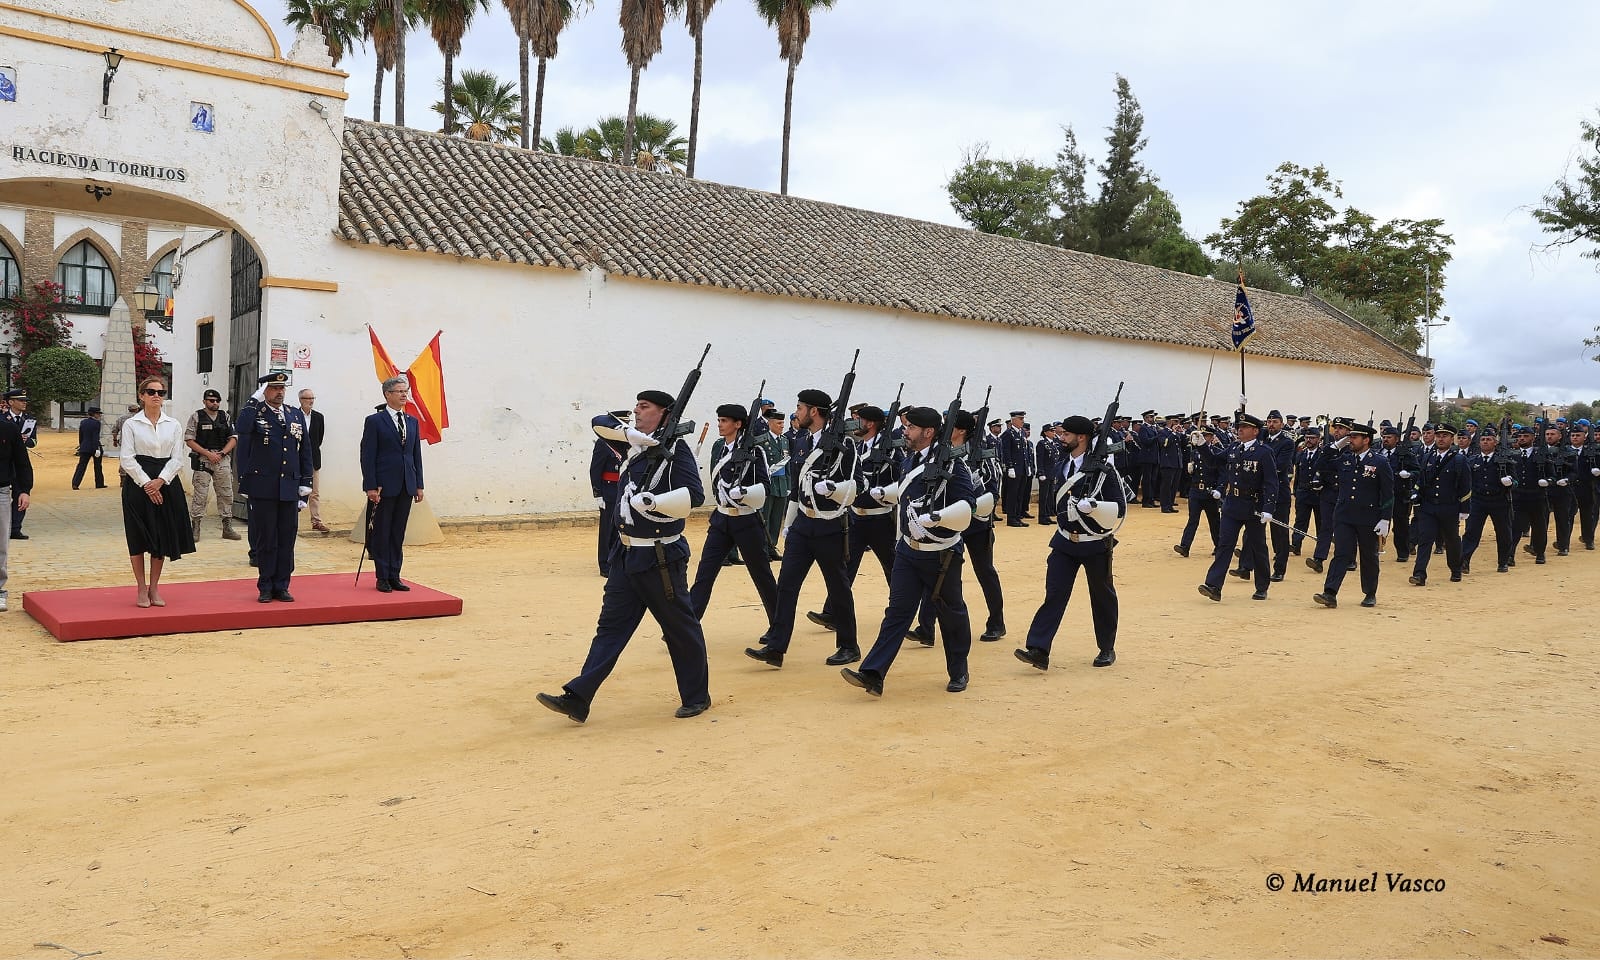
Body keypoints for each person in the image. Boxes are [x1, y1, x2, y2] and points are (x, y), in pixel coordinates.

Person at [537, 390, 710, 723]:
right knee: (610, 628)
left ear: (664, 413)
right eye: (636, 406)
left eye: (644, 407)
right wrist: (635, 435)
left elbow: (695, 495)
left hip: (660, 557)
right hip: (626, 554)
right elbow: (599, 424)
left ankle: (697, 696)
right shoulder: (636, 445)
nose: (637, 411)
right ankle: (579, 697)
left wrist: (656, 503)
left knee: (680, 629)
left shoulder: (676, 452)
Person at [841, 406, 978, 696]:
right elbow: (907, 492)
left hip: (941, 554)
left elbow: (968, 506)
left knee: (951, 613)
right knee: (897, 613)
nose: (905, 431)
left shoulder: (954, 466)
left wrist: (939, 518)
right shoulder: (909, 460)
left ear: (928, 432)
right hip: (907, 551)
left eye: (911, 428)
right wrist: (885, 494)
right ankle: (873, 673)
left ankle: (959, 670)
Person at [745, 388, 861, 668]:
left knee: (838, 586)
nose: (795, 413)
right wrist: (788, 524)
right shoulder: (801, 441)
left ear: (814, 411)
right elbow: (796, 489)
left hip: (830, 525)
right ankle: (776, 647)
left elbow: (857, 486)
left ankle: (848, 645)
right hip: (803, 525)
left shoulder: (844, 444)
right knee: (786, 585)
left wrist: (833, 489)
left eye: (799, 408)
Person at [1014, 414, 1125, 670]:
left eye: (1065, 434)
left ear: (1081, 437)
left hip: (1094, 542)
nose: (1061, 438)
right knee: (1054, 594)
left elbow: (1118, 507)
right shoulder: (1061, 462)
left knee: (1102, 596)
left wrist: (1095, 506)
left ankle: (1106, 648)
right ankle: (1038, 649)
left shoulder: (1103, 470)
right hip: (1064, 542)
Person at [810, 405, 900, 631]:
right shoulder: (855, 446)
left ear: (870, 424)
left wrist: (883, 492)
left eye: (858, 420)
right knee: (845, 567)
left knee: (894, 568)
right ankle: (832, 612)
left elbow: (903, 482)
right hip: (856, 518)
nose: (853, 423)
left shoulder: (891, 449)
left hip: (880, 519)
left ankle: (901, 611)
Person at [688, 402, 778, 623]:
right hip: (721, 519)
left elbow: (765, 486)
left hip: (746, 520)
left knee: (761, 576)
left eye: (724, 421)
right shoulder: (720, 448)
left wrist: (745, 492)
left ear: (738, 424)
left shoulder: (755, 451)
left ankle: (778, 625)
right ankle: (687, 626)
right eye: (719, 420)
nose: (720, 424)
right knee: (704, 575)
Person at [119, 376, 196, 607]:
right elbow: (127, 458)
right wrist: (147, 484)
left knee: (160, 535)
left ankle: (154, 587)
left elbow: (177, 458)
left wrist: (160, 481)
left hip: (166, 483)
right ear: (141, 396)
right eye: (151, 392)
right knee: (138, 535)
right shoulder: (131, 424)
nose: (156, 396)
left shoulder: (173, 424)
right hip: (137, 483)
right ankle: (141, 588)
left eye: (160, 393)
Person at [236, 372, 314, 602]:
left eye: (282, 388)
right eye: (273, 388)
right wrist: (253, 400)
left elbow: (305, 450)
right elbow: (242, 428)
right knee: (266, 538)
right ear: (264, 391)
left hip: (289, 486)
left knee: (286, 538)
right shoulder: (255, 413)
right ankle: (266, 585)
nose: (279, 392)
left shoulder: (294, 414)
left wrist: (305, 483)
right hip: (263, 487)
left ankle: (282, 584)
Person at [1198, 413, 1279, 603]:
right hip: (1232, 504)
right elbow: (1214, 461)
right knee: (1225, 544)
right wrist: (1202, 445)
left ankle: (1261, 586)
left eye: (1244, 427)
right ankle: (1213, 585)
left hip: (1253, 506)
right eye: (1239, 426)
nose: (1239, 430)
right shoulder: (1234, 447)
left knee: (1257, 547)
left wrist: (1269, 508)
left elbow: (1271, 482)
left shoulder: (1263, 452)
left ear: (1255, 431)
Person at [1311, 423, 1393, 609]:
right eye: (1350, 437)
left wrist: (1385, 518)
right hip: (1344, 515)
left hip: (1368, 516)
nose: (1350, 440)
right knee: (1341, 553)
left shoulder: (1379, 462)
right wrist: (1333, 447)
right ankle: (1330, 593)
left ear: (1366, 440)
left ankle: (1370, 592)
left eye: (1354, 437)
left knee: (1368, 556)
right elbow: (1320, 466)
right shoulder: (1345, 459)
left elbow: (1388, 493)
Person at [360, 376, 426, 593]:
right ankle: (382, 576)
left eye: (405, 391)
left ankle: (395, 574)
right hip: (383, 486)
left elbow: (416, 455)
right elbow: (367, 456)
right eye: (399, 391)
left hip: (406, 484)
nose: (404, 395)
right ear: (387, 394)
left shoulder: (411, 421)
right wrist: (371, 485)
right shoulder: (375, 421)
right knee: (382, 532)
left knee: (398, 532)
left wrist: (419, 484)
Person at [1407, 423, 1471, 586]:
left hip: (1449, 506)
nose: (1441, 439)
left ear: (1452, 439)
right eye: (1439, 435)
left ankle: (1455, 569)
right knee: (1425, 539)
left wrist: (1464, 508)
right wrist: (1416, 492)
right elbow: (1421, 479)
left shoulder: (1458, 459)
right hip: (1428, 506)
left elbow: (1465, 485)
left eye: (1445, 436)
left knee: (1451, 540)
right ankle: (1419, 574)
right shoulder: (1428, 457)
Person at [184, 388, 242, 541]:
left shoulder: (225, 417)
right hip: (203, 459)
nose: (214, 403)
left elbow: (234, 438)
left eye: (217, 401)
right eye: (211, 400)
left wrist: (222, 453)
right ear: (204, 401)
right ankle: (195, 527)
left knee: (226, 493)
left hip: (221, 459)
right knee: (200, 495)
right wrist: (208, 454)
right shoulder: (197, 416)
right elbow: (189, 439)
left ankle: (227, 527)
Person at [1461, 428, 1515, 574]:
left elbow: (1515, 480)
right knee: (1471, 531)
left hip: (1499, 500)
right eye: (1483, 440)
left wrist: (1510, 481)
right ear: (1479, 443)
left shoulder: (1505, 460)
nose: (1485, 442)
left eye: (1489, 439)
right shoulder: (1472, 461)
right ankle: (1464, 560)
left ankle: (1503, 561)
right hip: (1478, 501)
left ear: (1495, 442)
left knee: (1503, 532)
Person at [0, 400, 33, 612]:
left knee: (0, 544)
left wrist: (23, 490)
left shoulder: (8, 428)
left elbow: (21, 462)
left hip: (1, 491)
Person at [589, 409, 631, 576]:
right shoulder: (603, 443)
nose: (628, 426)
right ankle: (604, 565)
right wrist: (598, 493)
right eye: (624, 423)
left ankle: (617, 560)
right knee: (607, 529)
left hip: (623, 491)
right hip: (608, 490)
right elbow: (595, 470)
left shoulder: (629, 442)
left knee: (621, 527)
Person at [1174, 425, 1223, 557]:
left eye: (1206, 436)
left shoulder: (1217, 453)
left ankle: (1219, 546)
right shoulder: (1195, 452)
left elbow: (1221, 475)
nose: (1203, 438)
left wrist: (1219, 490)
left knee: (1214, 521)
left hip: (1210, 492)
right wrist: (1190, 470)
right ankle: (1185, 546)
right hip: (1195, 491)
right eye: (1201, 436)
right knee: (1192, 520)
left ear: (1211, 437)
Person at [755, 408, 790, 560]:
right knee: (766, 517)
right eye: (779, 423)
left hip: (781, 484)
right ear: (770, 423)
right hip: (768, 483)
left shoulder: (784, 441)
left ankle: (772, 546)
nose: (782, 426)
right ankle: (762, 547)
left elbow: (787, 465)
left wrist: (788, 485)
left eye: (783, 423)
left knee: (777, 518)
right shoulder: (762, 440)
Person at [3, 388, 37, 539]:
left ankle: (15, 528)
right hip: (5, 461)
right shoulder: (2, 418)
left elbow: (34, 441)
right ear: (11, 402)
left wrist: (27, 441)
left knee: (21, 491)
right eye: (21, 400)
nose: (24, 403)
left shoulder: (29, 420)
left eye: (25, 401)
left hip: (20, 461)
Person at [298, 388, 329, 532]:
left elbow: (319, 439)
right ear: (301, 400)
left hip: (313, 459)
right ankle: (291, 519)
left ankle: (316, 521)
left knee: (314, 491)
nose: (310, 401)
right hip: (296, 459)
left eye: (312, 398)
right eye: (307, 398)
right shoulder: (294, 415)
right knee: (293, 490)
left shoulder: (318, 417)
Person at [999, 410, 1030, 526]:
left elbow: (1024, 452)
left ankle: (1017, 516)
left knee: (1020, 494)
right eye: (1020, 419)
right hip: (1014, 469)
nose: (1023, 421)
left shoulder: (1022, 433)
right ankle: (1011, 519)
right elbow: (1006, 452)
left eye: (1023, 419)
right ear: (1014, 420)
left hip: (1022, 469)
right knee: (1012, 494)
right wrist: (1010, 467)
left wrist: (1027, 466)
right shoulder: (1008, 433)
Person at [73, 405, 107, 490]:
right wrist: (96, 449)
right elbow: (95, 437)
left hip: (84, 446)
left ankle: (75, 483)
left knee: (81, 466)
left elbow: (81, 435)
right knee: (98, 466)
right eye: (98, 414)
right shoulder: (96, 423)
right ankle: (99, 483)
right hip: (94, 446)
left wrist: (81, 445)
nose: (99, 415)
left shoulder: (83, 422)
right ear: (94, 414)